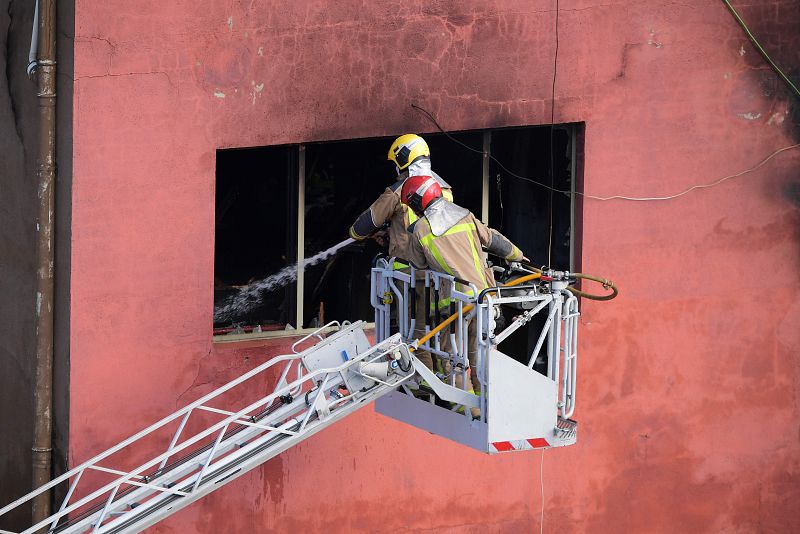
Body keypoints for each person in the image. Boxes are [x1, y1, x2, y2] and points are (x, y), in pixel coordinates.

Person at [400, 174, 527, 416]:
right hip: (484, 298)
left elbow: (418, 269)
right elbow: (493, 239)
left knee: (451, 357)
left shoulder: (420, 230)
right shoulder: (465, 215)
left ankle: (464, 408)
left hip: (454, 306)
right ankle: (488, 405)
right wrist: (518, 255)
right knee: (481, 352)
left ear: (419, 201)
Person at [348, 134, 452, 371]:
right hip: (440, 272)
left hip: (410, 274)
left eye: (396, 163)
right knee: (440, 331)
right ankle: (444, 380)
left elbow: (362, 227)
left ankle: (420, 382)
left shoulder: (399, 190)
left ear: (404, 159)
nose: (395, 169)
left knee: (415, 330)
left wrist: (362, 232)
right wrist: (391, 233)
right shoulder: (444, 188)